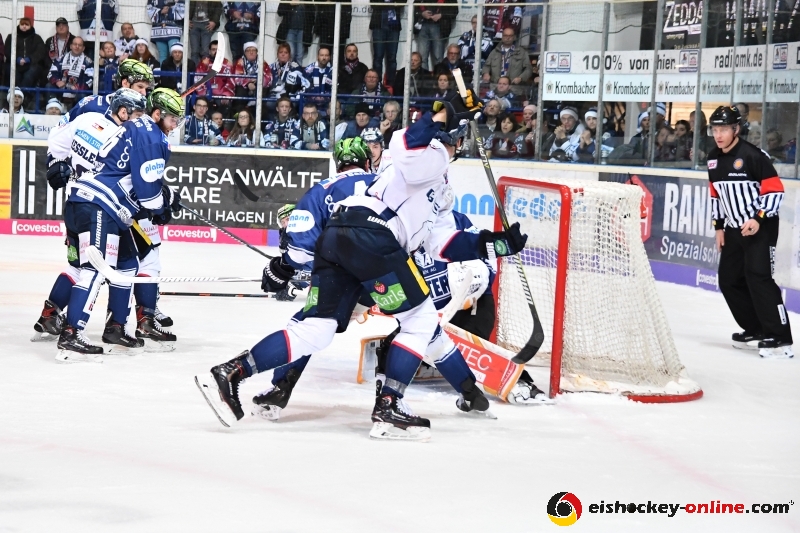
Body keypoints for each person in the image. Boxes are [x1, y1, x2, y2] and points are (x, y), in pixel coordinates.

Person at [194, 90, 527, 441]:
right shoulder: (428, 154)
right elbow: (406, 143)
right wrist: (442, 114)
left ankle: (232, 372)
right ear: (456, 140)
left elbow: (443, 244)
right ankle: (389, 407)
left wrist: (495, 244)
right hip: (374, 237)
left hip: (340, 237)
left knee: (318, 328)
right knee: (421, 319)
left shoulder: (440, 186)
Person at [35, 89, 147, 347]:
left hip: (77, 203)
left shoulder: (87, 119)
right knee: (92, 268)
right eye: (137, 115)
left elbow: (57, 140)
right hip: (97, 209)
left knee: (125, 262)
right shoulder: (121, 138)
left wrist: (56, 164)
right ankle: (73, 332)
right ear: (123, 112)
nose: (139, 121)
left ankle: (113, 326)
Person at [707, 105, 793, 359]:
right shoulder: (713, 159)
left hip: (759, 227)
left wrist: (758, 218)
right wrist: (719, 227)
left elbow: (775, 191)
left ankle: (780, 337)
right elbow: (716, 195)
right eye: (715, 130)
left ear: (736, 129)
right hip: (733, 229)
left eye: (724, 129)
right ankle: (755, 328)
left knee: (759, 278)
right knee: (729, 280)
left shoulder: (754, 156)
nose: (718, 135)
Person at [65, 58, 153, 123]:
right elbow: (61, 131)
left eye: (146, 89)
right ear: (125, 83)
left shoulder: (145, 118)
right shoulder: (90, 104)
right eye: (140, 86)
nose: (144, 93)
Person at [47, 37, 94, 109]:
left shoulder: (88, 62)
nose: (77, 47)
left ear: (83, 48)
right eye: (75, 44)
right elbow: (51, 73)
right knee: (49, 86)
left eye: (80, 45)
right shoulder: (60, 59)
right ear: (71, 46)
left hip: (77, 92)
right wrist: (57, 81)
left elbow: (90, 79)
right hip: (61, 89)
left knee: (82, 94)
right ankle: (54, 110)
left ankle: (78, 112)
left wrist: (78, 87)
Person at [481, 28, 532, 93]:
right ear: (502, 37)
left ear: (514, 37)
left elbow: (528, 69)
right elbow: (486, 66)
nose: (508, 38)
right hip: (495, 89)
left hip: (514, 89)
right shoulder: (494, 52)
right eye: (505, 35)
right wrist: (486, 73)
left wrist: (521, 78)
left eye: (510, 36)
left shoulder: (522, 52)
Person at [4, 18, 49, 89]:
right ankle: (17, 93)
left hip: (32, 64)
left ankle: (22, 93)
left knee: (29, 75)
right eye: (22, 24)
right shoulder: (11, 37)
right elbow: (7, 50)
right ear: (19, 25)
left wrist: (29, 59)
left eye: (26, 24)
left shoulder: (37, 38)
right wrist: (16, 59)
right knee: (13, 74)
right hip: (14, 64)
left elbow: (41, 51)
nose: (24, 26)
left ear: (30, 26)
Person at [414, 0, 458, 71]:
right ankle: (423, 77)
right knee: (422, 57)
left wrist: (441, 15)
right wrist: (422, 13)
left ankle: (439, 77)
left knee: (438, 58)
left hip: (439, 27)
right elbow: (414, 6)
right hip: (423, 25)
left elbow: (454, 10)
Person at [194, 40, 235, 114]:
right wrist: (205, 94)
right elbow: (198, 80)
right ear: (209, 51)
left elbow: (231, 82)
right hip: (206, 94)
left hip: (221, 95)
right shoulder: (203, 63)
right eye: (213, 49)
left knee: (226, 106)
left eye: (218, 50)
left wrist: (225, 95)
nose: (216, 52)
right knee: (203, 105)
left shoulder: (227, 64)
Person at [369, 0, 404, 86]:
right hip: (378, 27)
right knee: (378, 57)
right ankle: (377, 84)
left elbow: (403, 2)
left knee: (392, 58)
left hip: (394, 27)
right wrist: (390, 4)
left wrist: (389, 4)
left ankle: (391, 84)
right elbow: (373, 3)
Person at [232, 41, 272, 113]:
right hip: (244, 87)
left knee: (263, 93)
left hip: (259, 85)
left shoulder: (263, 63)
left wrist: (258, 80)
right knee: (239, 93)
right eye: (248, 50)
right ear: (245, 52)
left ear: (257, 52)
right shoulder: (240, 62)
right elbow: (237, 78)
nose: (251, 52)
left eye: (253, 50)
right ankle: (240, 114)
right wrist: (248, 83)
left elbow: (269, 79)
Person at [277, 0, 315, 64]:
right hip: (289, 30)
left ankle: (298, 69)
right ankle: (289, 69)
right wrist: (289, 4)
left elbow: (312, 14)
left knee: (300, 54)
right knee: (291, 52)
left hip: (303, 31)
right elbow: (280, 12)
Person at [187, 1, 222, 65]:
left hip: (207, 24)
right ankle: (195, 70)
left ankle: (204, 69)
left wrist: (214, 21)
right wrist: (186, 19)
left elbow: (218, 7)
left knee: (205, 51)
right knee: (194, 51)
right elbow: (184, 5)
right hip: (193, 24)